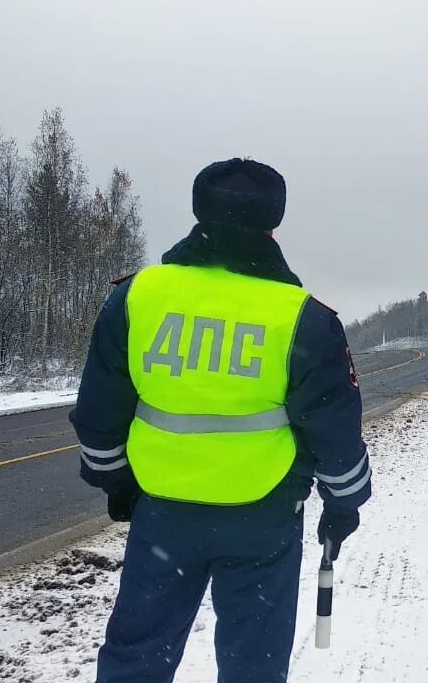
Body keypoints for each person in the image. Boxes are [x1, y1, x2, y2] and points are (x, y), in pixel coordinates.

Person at [70, 158, 371, 683]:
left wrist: (117, 483)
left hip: (162, 511)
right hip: (263, 517)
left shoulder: (137, 296)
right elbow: (335, 433)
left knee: (137, 655)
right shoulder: (304, 316)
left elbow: (100, 413)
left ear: (198, 211)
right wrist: (344, 503)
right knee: (253, 663)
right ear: (272, 222)